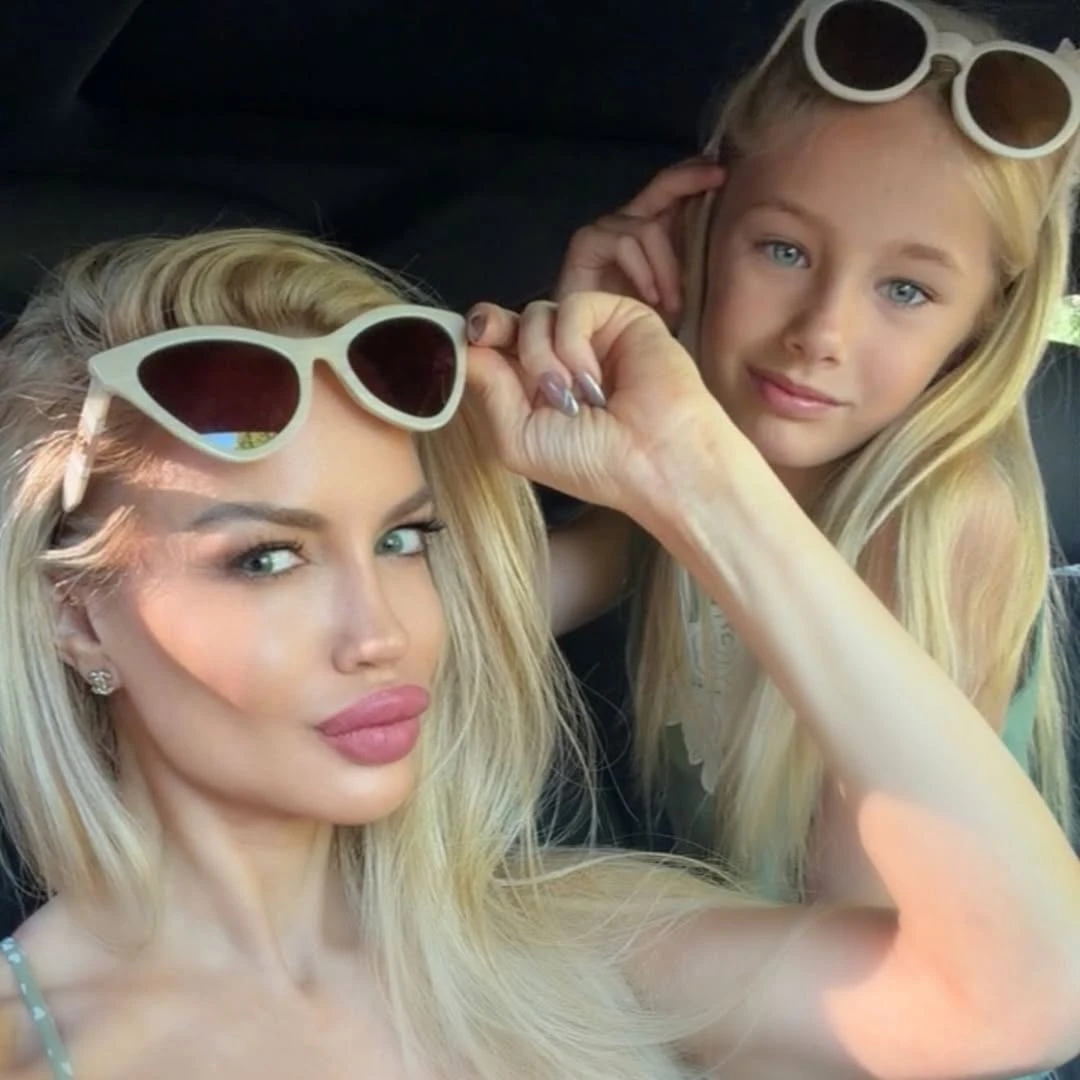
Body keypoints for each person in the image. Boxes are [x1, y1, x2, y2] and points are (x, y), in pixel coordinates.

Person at [0, 228, 1078, 1079]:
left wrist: (693, 478)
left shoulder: (573, 937)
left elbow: (1028, 988)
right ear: (75, 615)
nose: (380, 633)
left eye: (404, 540)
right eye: (267, 560)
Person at [491, 0, 1080, 902]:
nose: (822, 333)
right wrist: (580, 381)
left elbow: (870, 942)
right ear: (695, 232)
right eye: (784, 250)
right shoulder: (700, 462)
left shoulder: (946, 523)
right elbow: (476, 615)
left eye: (906, 290)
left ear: (980, 322)